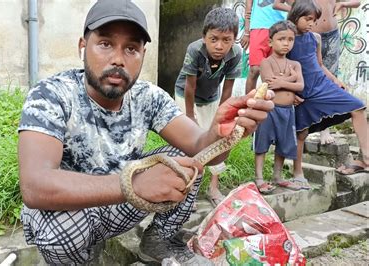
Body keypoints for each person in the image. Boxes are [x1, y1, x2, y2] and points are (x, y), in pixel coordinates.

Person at [17, 0, 274, 264]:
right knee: (59, 231)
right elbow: (36, 186)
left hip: (120, 206)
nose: (118, 59)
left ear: (142, 53)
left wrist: (222, 132)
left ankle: (157, 241)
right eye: (105, 44)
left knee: (186, 161)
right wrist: (133, 183)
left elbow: (201, 148)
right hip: (71, 211)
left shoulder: (147, 96)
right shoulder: (51, 95)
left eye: (131, 48)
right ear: (83, 46)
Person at [286, 0, 368, 182]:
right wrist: (290, 93)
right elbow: (280, 66)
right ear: (295, 16)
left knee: (358, 107)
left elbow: (320, 65)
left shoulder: (315, 38)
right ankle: (297, 173)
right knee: (301, 133)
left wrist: (335, 79)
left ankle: (367, 160)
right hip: (303, 92)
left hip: (323, 85)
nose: (311, 24)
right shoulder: (287, 39)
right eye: (307, 19)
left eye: (314, 20)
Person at [174, 7, 242, 208]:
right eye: (214, 39)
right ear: (204, 37)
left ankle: (213, 188)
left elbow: (228, 90)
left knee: (218, 139)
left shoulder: (235, 55)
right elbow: (189, 86)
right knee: (188, 142)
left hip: (212, 97)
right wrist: (189, 117)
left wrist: (223, 118)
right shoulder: (195, 50)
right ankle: (186, 191)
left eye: (226, 40)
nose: (220, 46)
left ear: (234, 39)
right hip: (187, 96)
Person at [274, 0, 361, 145]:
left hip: (331, 34)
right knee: (304, 81)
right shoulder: (291, 38)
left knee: (327, 81)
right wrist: (299, 11)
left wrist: (343, 4)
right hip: (304, 37)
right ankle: (300, 129)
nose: (312, 21)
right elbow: (277, 4)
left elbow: (357, 2)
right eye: (308, 19)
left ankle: (324, 128)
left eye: (313, 19)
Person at [252, 20, 305, 194]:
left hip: (288, 111)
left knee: (284, 143)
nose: (286, 43)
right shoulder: (266, 62)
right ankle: (259, 178)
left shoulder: (295, 64)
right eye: (281, 39)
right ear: (270, 42)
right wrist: (291, 78)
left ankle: (277, 176)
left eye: (290, 39)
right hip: (269, 109)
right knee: (262, 143)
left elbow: (300, 87)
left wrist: (283, 80)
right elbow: (270, 84)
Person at [240, 0, 291, 94]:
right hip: (258, 26)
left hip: (279, 28)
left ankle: (273, 103)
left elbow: (294, 4)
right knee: (255, 69)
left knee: (276, 71)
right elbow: (248, 7)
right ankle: (248, 103)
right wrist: (247, 32)